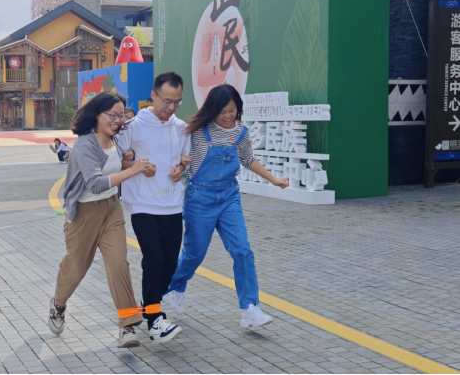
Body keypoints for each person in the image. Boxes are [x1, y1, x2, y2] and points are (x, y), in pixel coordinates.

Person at [168, 84, 290, 328]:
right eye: (221, 111)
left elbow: (248, 159)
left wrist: (273, 179)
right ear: (212, 110)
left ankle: (249, 309)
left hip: (229, 197)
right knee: (194, 254)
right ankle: (177, 285)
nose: (227, 116)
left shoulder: (241, 132)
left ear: (238, 108)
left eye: (232, 110)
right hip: (199, 198)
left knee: (242, 250)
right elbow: (175, 153)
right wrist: (178, 166)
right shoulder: (196, 131)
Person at [49, 91, 152, 349]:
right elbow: (95, 184)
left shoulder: (114, 139)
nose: (117, 121)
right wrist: (134, 170)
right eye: (112, 115)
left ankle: (128, 325)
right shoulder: (86, 144)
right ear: (97, 114)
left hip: (111, 209)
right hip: (84, 214)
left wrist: (138, 166)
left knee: (118, 264)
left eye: (121, 116)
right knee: (76, 267)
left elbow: (114, 167)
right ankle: (58, 304)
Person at [118, 72, 190, 344]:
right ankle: (154, 320)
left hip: (172, 204)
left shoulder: (181, 128)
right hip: (143, 205)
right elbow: (118, 161)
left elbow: (184, 161)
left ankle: (149, 304)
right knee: (154, 260)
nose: (171, 107)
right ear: (153, 95)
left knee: (170, 265)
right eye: (167, 100)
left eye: (177, 102)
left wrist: (180, 169)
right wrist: (137, 166)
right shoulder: (132, 126)